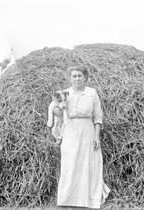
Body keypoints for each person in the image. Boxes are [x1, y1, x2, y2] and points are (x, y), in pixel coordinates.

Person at [54, 65, 110, 209]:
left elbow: (98, 116)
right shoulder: (63, 94)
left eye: (80, 75)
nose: (77, 78)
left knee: (88, 163)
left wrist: (96, 137)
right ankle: (67, 199)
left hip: (87, 130)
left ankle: (87, 200)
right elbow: (59, 118)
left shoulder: (92, 93)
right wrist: (59, 136)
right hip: (70, 131)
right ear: (70, 78)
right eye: (74, 76)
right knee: (70, 163)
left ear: (85, 77)